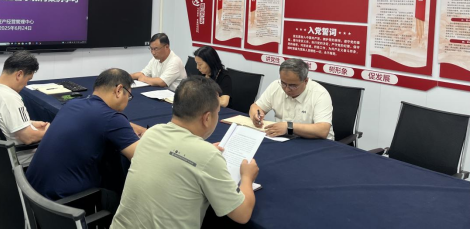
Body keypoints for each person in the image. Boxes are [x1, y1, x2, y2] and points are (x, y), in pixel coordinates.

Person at [111, 76, 259, 229]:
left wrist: (202, 152)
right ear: (207, 118)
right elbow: (242, 214)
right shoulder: (207, 155)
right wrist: (247, 178)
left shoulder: (152, 133)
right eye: (217, 113)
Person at [26, 69, 147, 212]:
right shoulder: (112, 119)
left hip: (33, 195)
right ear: (119, 90)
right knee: (127, 203)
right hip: (64, 205)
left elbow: (102, 120)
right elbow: (141, 157)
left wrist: (131, 127)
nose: (127, 102)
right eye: (129, 96)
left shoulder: (72, 104)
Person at [0, 51, 49, 166]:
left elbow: (3, 121)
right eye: (28, 79)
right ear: (19, 75)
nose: (26, 84)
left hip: (0, 154)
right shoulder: (10, 98)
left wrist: (31, 123)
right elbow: (28, 138)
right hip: (22, 157)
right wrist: (49, 131)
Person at [249, 59, 334, 140]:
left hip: (316, 142)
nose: (287, 89)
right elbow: (256, 107)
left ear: (306, 81)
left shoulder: (320, 94)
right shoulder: (276, 86)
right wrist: (256, 116)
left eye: (293, 86)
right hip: (284, 139)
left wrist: (289, 127)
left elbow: (323, 130)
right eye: (283, 83)